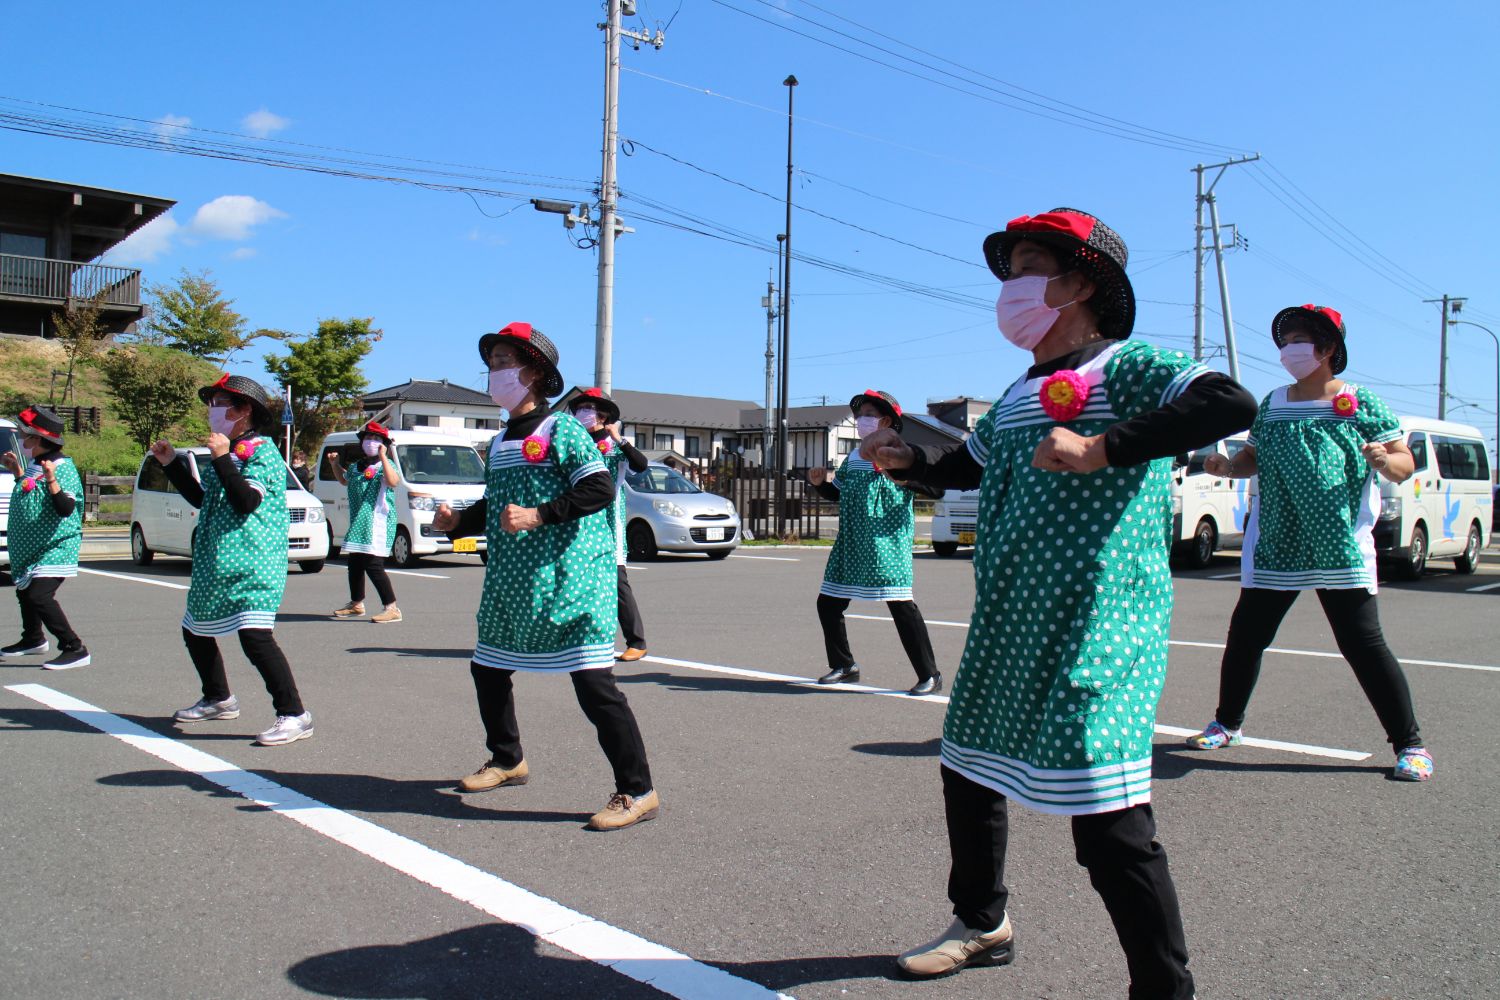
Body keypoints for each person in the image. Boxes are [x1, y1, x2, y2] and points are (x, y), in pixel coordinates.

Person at [864, 208, 1256, 997]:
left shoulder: (1127, 364)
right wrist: (907, 459)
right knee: (968, 772)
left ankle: (1164, 989)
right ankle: (982, 924)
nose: (1010, 287)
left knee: (1108, 817)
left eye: (1027, 266)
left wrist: (1102, 447)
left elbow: (1228, 402)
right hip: (1009, 620)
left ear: (1080, 282)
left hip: (1098, 623)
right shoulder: (1018, 391)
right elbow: (962, 471)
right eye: (1008, 271)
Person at [1187, 304, 1432, 781]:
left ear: (1327, 349)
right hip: (1278, 538)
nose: (1290, 349)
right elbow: (1252, 459)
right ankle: (1227, 723)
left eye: (1301, 339)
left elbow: (1404, 464)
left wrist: (1383, 459)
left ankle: (1411, 745)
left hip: (1338, 542)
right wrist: (1227, 468)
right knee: (1247, 636)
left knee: (1362, 643)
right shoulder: (1273, 403)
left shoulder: (1362, 402)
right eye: (1286, 340)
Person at [433, 323, 659, 831]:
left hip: (569, 579)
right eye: (491, 363)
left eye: (504, 362)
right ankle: (508, 759)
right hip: (512, 583)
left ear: (534, 372)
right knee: (487, 670)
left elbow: (598, 489)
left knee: (595, 686)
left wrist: (539, 515)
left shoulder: (561, 429)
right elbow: (496, 507)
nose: (495, 373)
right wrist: (458, 523)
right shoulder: (498, 441)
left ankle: (638, 790)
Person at [152, 374, 314, 746]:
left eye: (221, 403)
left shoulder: (262, 451)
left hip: (253, 561)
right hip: (217, 560)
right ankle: (218, 698)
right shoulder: (226, 450)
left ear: (244, 411)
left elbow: (247, 501)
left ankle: (294, 714)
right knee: (195, 629)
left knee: (255, 636)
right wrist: (171, 463)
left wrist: (223, 457)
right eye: (212, 403)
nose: (213, 411)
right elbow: (202, 498)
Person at [807, 389, 942, 695]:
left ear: (887, 420)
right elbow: (838, 494)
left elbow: (934, 490)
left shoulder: (901, 451)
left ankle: (930, 674)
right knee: (828, 603)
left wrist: (901, 475)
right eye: (860, 415)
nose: (861, 420)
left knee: (901, 605)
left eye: (869, 415)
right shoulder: (853, 457)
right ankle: (844, 666)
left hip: (887, 542)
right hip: (852, 542)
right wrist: (820, 485)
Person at [0, 405, 88, 669]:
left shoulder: (62, 468)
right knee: (26, 591)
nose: (23, 442)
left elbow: (66, 508)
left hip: (56, 545)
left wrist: (52, 481)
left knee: (39, 595)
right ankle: (33, 639)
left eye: (26, 437)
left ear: (39, 440)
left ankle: (75, 648)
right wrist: (17, 471)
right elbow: (30, 493)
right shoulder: (34, 464)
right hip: (35, 547)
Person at [567, 387, 651, 662]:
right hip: (578, 516)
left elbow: (641, 465)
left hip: (608, 517)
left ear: (603, 415)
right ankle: (577, 637)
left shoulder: (613, 444)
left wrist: (619, 438)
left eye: (589, 408)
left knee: (617, 579)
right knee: (577, 577)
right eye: (580, 408)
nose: (583, 414)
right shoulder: (575, 442)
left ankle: (636, 641)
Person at [327, 420, 403, 623]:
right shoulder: (356, 466)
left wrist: (383, 457)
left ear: (383, 444)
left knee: (373, 564)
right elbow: (344, 480)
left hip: (378, 521)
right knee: (355, 563)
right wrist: (335, 465)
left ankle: (392, 607)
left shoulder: (385, 465)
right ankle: (356, 603)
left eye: (376, 439)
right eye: (368, 438)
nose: (370, 441)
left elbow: (394, 482)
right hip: (360, 520)